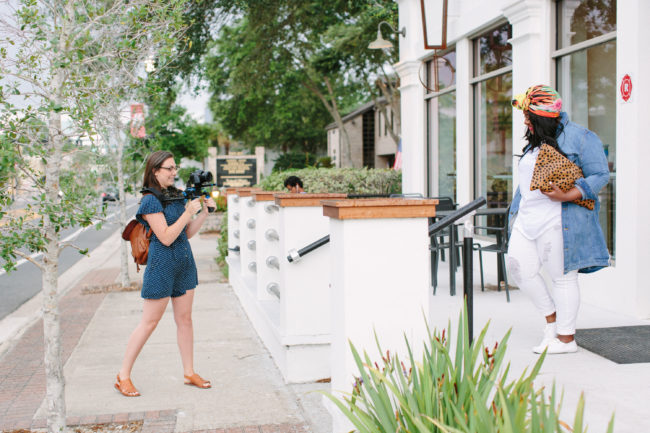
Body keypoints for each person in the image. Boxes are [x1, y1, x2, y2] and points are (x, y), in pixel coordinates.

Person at [507, 85, 610, 354]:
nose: (525, 121)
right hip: (527, 217)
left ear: (543, 117)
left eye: (529, 116)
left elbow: (600, 175)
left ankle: (566, 339)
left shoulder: (581, 137)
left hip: (560, 219)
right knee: (518, 268)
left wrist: (569, 195)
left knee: (562, 278)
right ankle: (551, 322)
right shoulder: (535, 141)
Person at [115, 150, 216, 396]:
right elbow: (166, 237)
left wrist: (203, 212)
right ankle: (123, 375)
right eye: (169, 168)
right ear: (155, 171)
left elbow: (186, 233)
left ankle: (189, 372)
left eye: (175, 168)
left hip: (183, 262)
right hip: (162, 265)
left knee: (185, 320)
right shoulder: (150, 200)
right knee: (149, 323)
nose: (174, 172)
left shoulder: (176, 196)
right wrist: (187, 212)